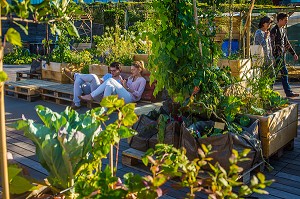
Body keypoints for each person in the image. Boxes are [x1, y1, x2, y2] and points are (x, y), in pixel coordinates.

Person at [79, 61, 146, 104]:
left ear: (139, 70)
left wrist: (127, 88)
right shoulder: (130, 78)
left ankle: (91, 96)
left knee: (110, 80)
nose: (131, 71)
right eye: (131, 69)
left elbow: (138, 95)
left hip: (131, 99)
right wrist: (123, 84)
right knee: (109, 86)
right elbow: (125, 88)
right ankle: (104, 110)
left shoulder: (142, 80)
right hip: (124, 95)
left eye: (133, 70)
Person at [270, 13, 299, 97]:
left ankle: (269, 90)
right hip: (276, 56)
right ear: (280, 20)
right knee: (282, 73)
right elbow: (271, 44)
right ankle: (287, 92)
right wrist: (273, 56)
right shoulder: (274, 30)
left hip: (282, 55)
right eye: (285, 20)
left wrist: (293, 53)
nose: (287, 22)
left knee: (275, 74)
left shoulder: (282, 30)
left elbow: (286, 43)